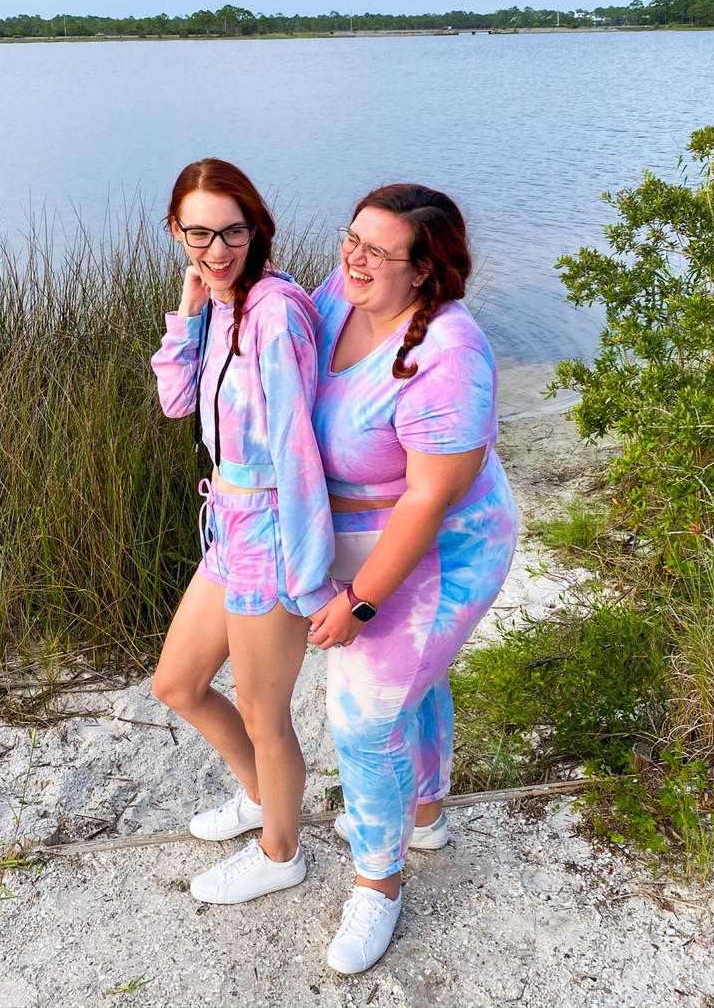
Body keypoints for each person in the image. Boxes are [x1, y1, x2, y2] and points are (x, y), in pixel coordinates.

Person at [307, 184, 519, 974]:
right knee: (413, 689)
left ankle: (379, 887)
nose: (352, 257)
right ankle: (423, 817)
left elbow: (429, 499)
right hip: (374, 538)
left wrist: (361, 601)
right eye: (351, 237)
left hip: (443, 552)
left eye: (376, 250)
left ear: (425, 270)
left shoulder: (449, 356)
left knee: (365, 720)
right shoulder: (344, 294)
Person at [150, 158, 335, 905]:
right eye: (199, 233)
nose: (217, 249)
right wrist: (189, 307)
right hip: (226, 525)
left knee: (264, 713)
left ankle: (281, 852)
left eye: (232, 232)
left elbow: (297, 451)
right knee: (177, 683)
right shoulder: (220, 303)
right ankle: (262, 799)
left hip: (271, 531)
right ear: (177, 232)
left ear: (255, 227)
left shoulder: (276, 313)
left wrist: (310, 575)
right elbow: (176, 402)